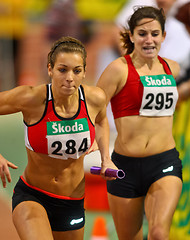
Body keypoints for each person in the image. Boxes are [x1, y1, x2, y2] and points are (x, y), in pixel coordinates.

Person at [0, 36, 117, 240]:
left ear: (84, 72)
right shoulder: (31, 98)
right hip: (33, 196)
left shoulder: (95, 99)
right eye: (63, 69)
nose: (70, 77)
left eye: (77, 70)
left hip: (72, 201)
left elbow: (101, 121)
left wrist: (106, 158)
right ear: (50, 69)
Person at [97, 6, 183, 240]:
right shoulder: (118, 70)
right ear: (132, 35)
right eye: (142, 33)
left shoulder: (172, 69)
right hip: (125, 167)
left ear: (163, 36)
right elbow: (95, 114)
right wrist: (105, 158)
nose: (149, 40)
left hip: (164, 162)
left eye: (155, 34)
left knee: (158, 233)